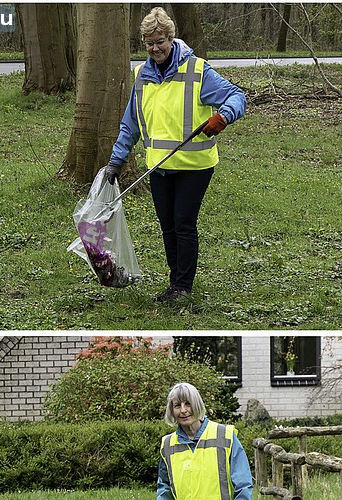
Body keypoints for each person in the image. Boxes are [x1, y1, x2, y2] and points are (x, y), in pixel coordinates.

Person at [105, 7, 247, 304]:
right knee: (167, 225)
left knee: (183, 223)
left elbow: (236, 96)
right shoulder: (141, 75)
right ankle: (174, 283)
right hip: (158, 166)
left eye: (159, 41)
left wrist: (223, 117)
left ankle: (183, 287)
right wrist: (116, 160)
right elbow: (131, 123)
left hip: (194, 166)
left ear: (171, 38)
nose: (155, 48)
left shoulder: (197, 70)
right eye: (148, 43)